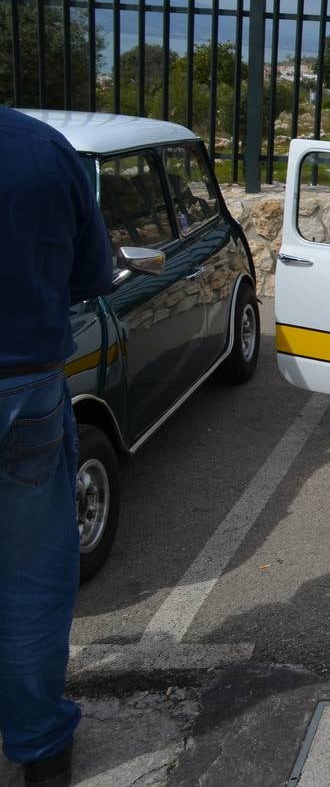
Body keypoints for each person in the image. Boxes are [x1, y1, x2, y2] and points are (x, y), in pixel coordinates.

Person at [1, 107, 113, 787]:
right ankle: (41, 749)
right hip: (24, 385)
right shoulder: (41, 147)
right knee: (31, 578)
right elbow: (91, 272)